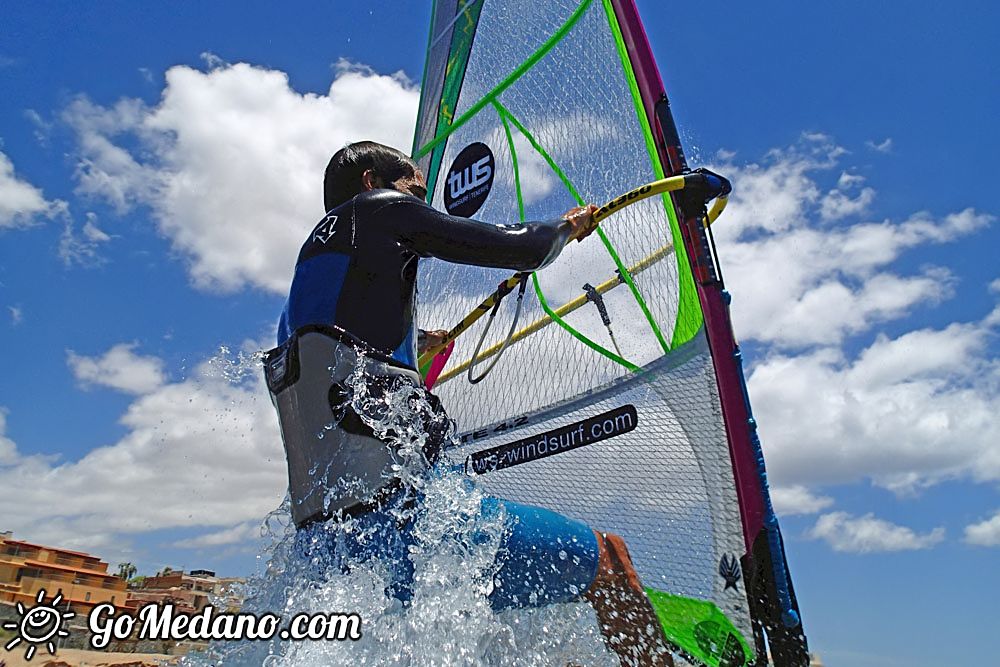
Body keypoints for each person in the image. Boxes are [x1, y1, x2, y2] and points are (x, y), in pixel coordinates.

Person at [263, 141, 672, 666]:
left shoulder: (295, 310)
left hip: (326, 552)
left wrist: (412, 342)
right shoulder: (378, 209)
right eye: (414, 187)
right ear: (371, 183)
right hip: (416, 528)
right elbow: (522, 248)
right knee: (609, 560)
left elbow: (339, 390)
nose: (420, 199)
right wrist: (565, 228)